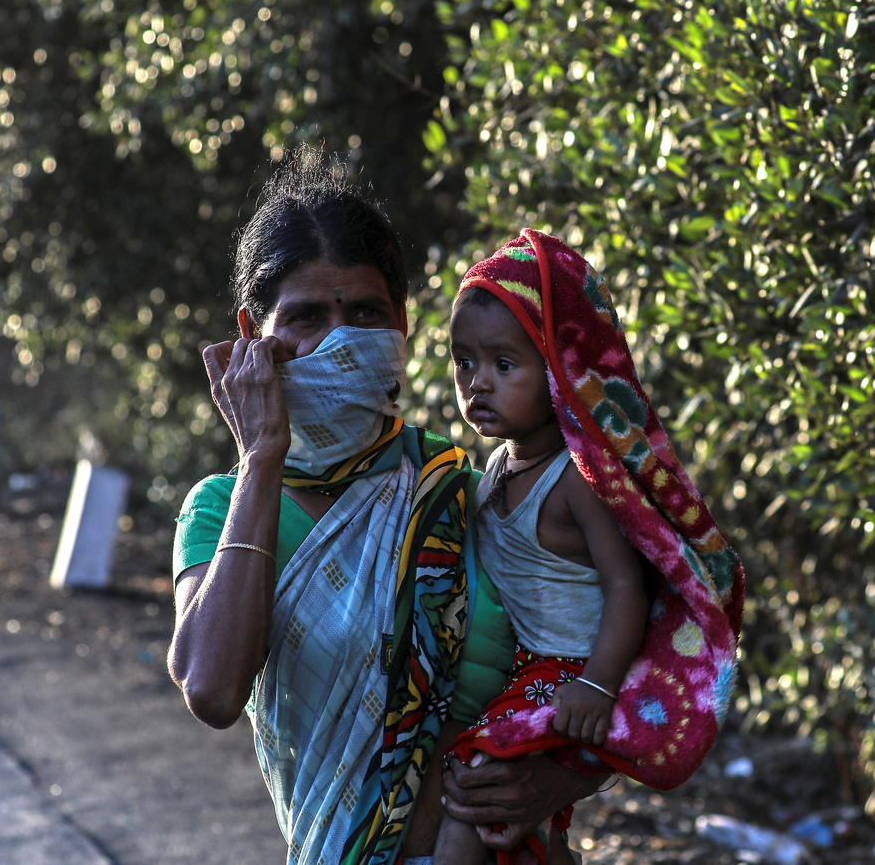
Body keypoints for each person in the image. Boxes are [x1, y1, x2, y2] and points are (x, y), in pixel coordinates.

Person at [167, 152, 602, 865]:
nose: (338, 340)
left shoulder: (466, 487)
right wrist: (261, 459)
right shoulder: (226, 508)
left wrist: (554, 781)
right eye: (305, 317)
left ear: (401, 323)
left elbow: (613, 658)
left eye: (365, 312)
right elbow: (212, 689)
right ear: (253, 332)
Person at [433, 229, 747, 865]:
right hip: (519, 672)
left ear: (558, 370)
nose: (478, 384)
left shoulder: (576, 481)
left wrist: (597, 687)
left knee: (474, 795)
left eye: (504, 364)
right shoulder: (496, 467)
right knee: (510, 821)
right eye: (464, 362)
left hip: (564, 676)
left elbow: (625, 586)